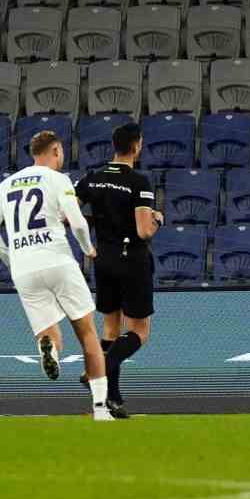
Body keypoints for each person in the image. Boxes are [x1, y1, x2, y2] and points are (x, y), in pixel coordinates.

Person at [0, 131, 115, 421]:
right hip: (57, 259)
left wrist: (9, 257)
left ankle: (50, 349)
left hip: (24, 268)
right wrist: (88, 248)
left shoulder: (7, 184)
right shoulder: (58, 179)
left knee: (48, 331)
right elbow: (77, 222)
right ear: (55, 150)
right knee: (88, 332)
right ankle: (101, 408)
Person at [75, 122, 162, 417]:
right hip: (132, 259)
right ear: (136, 146)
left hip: (104, 257)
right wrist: (158, 218)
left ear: (114, 146)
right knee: (139, 330)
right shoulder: (139, 181)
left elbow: (69, 214)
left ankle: (112, 398)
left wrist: (92, 226)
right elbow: (144, 230)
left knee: (110, 328)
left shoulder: (94, 178)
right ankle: (95, 373)